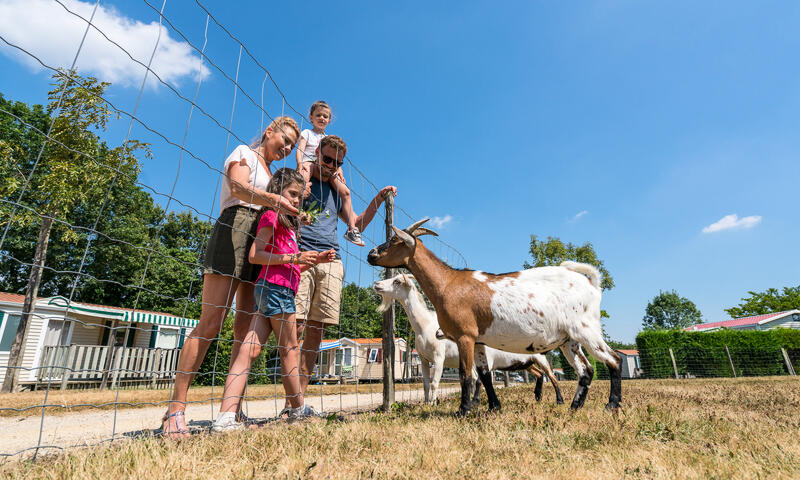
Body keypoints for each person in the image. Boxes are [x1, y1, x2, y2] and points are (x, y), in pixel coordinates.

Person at [161, 117, 301, 438]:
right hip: (234, 228)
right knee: (211, 323)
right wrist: (274, 200)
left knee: (243, 330)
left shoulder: (273, 175)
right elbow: (237, 186)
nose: (288, 147)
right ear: (269, 131)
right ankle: (175, 411)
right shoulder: (244, 154)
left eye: (293, 144)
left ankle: (232, 410)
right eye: (286, 139)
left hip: (257, 240)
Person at [212, 169, 336, 431]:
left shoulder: (289, 224)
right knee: (290, 349)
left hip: (273, 289)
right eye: (292, 194)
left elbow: (287, 266)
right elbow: (256, 255)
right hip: (277, 291)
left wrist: (312, 260)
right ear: (277, 190)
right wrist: (294, 258)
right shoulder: (271, 215)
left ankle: (226, 415)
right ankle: (297, 409)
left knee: (251, 347)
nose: (295, 201)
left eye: (299, 198)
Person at [293, 135, 397, 406]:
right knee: (295, 328)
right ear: (316, 154)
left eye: (337, 163)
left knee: (316, 332)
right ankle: (290, 398)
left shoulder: (336, 192)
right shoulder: (301, 181)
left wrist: (377, 199)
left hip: (331, 260)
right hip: (301, 256)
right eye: (327, 159)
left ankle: (298, 402)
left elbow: (356, 225)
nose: (330, 166)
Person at [295, 101, 364, 247]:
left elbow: (335, 159)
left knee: (345, 191)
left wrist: (339, 170)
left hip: (327, 169)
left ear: (329, 120)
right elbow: (300, 150)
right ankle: (296, 217)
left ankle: (352, 229)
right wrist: (301, 164)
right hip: (310, 163)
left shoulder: (328, 138)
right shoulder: (307, 133)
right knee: (303, 185)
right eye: (318, 115)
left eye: (325, 116)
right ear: (311, 117)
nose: (322, 118)